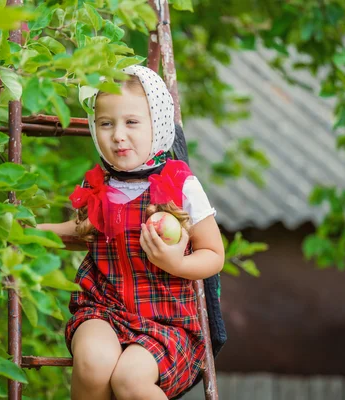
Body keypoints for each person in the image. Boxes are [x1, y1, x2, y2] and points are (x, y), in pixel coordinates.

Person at [37, 65, 225, 400]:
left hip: (167, 323)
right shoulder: (98, 185)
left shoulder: (180, 185)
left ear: (158, 124)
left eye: (131, 122)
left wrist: (176, 264)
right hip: (102, 308)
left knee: (129, 380)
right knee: (93, 363)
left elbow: (214, 254)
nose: (118, 135)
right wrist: (30, 232)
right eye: (106, 123)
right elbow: (81, 233)